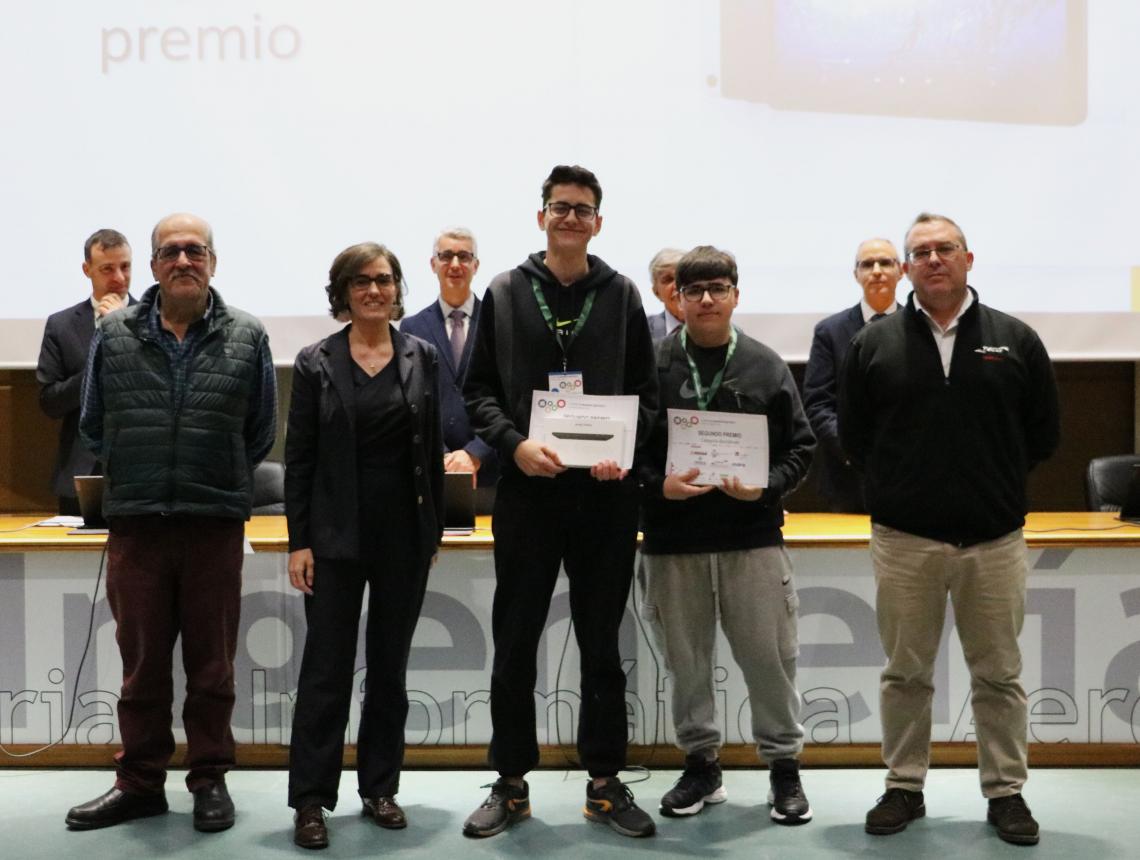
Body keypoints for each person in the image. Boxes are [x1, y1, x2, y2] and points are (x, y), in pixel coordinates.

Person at [839, 213, 1060, 846]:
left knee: (998, 673)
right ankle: (904, 785)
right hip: (904, 540)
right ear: (906, 268)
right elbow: (854, 437)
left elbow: (1042, 435)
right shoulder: (873, 343)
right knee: (905, 671)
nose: (932, 259)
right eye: (920, 252)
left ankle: (1006, 792)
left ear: (968, 258)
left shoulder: (1015, 339)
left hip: (993, 541)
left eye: (944, 249)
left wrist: (987, 483)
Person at [461, 164, 658, 839]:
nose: (570, 218)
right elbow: (478, 391)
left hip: (605, 497)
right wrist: (513, 445)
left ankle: (604, 783)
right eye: (559, 207)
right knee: (515, 640)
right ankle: (511, 782)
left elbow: (648, 397)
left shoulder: (624, 294)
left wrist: (623, 453)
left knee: (603, 642)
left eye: (582, 210)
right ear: (541, 216)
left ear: (598, 222)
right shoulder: (507, 290)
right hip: (529, 493)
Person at [66, 213, 277, 833]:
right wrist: (143, 470)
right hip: (137, 525)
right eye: (170, 251)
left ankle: (209, 780)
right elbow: (91, 424)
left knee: (212, 668)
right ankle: (139, 783)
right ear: (154, 264)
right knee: (142, 665)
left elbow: (259, 433)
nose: (183, 260)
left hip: (213, 523)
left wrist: (213, 476)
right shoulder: (116, 332)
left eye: (195, 250)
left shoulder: (247, 334)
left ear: (213, 260)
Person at [637, 245, 816, 824]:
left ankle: (783, 769)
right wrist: (655, 487)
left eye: (718, 288)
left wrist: (764, 487)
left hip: (752, 541)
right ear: (676, 298)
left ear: (736, 295)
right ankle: (700, 765)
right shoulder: (650, 364)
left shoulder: (766, 366)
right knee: (685, 664)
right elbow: (627, 450)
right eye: (694, 291)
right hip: (673, 542)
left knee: (769, 659)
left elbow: (802, 449)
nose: (707, 299)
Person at [285, 242, 444, 850]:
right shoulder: (314, 360)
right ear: (343, 292)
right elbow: (297, 459)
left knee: (390, 672)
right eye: (361, 282)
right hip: (332, 539)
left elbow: (429, 450)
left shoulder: (421, 355)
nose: (374, 290)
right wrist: (300, 542)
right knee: (325, 672)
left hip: (404, 537)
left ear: (397, 288)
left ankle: (380, 788)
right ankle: (309, 801)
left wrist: (431, 531)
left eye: (383, 280)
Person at [36, 229, 135, 515]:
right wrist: (98, 359)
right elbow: (50, 402)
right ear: (87, 270)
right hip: (79, 473)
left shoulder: (154, 318)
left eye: (125, 267)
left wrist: (121, 328)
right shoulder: (61, 325)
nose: (119, 277)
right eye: (107, 269)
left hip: (141, 472)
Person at [400, 227, 498, 511]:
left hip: (490, 473)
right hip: (433, 472)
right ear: (433, 264)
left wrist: (475, 454)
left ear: (475, 266)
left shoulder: (497, 320)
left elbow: (507, 398)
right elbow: (410, 401)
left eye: (464, 257)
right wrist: (441, 456)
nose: (455, 265)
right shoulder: (412, 328)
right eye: (446, 256)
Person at [802, 238, 902, 512]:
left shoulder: (920, 327)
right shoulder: (829, 331)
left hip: (907, 473)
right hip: (845, 480)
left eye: (886, 263)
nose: (877, 270)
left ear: (901, 271)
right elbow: (818, 403)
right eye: (867, 264)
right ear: (856, 274)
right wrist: (852, 451)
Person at [645, 248, 685, 341]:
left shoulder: (713, 324)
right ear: (656, 293)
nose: (676, 286)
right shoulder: (642, 330)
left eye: (682, 278)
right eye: (668, 279)